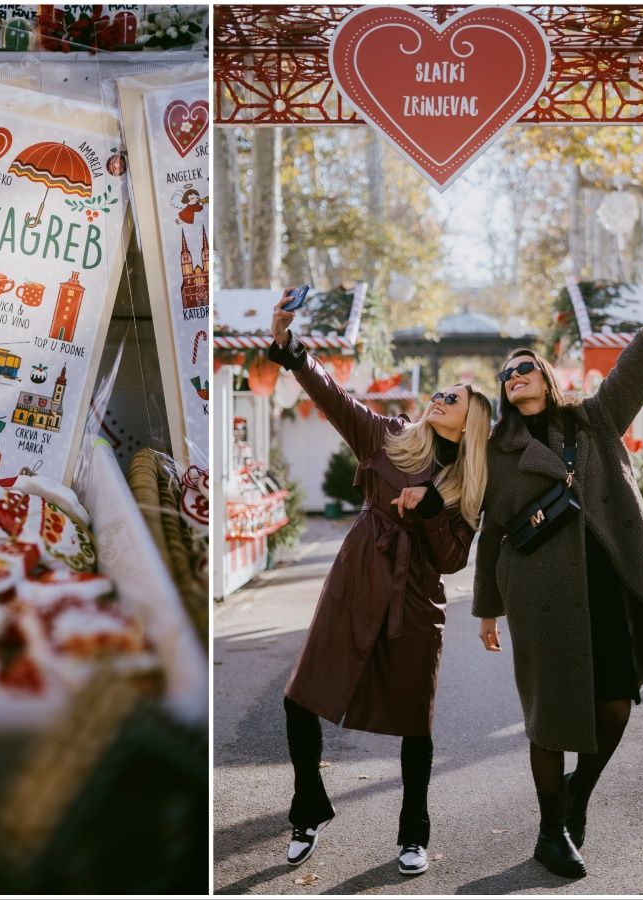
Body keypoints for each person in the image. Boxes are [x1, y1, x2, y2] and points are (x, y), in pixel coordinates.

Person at [473, 271, 643, 878]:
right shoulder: (497, 449)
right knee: (549, 715)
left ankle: (579, 795)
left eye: (526, 368)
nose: (517, 376)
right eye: (508, 374)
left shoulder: (591, 422)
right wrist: (487, 607)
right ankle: (551, 832)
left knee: (617, 706)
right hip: (539, 592)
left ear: (545, 377)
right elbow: (492, 531)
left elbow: (630, 375)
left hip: (607, 582)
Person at [267, 289, 492, 878]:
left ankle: (414, 834)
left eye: (455, 398)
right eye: (442, 391)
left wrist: (427, 512)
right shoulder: (389, 434)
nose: (440, 398)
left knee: (416, 722)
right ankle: (308, 808)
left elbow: (452, 561)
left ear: (471, 424)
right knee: (301, 696)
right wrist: (291, 348)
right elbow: (336, 399)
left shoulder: (467, 486)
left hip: (417, 599)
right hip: (357, 573)